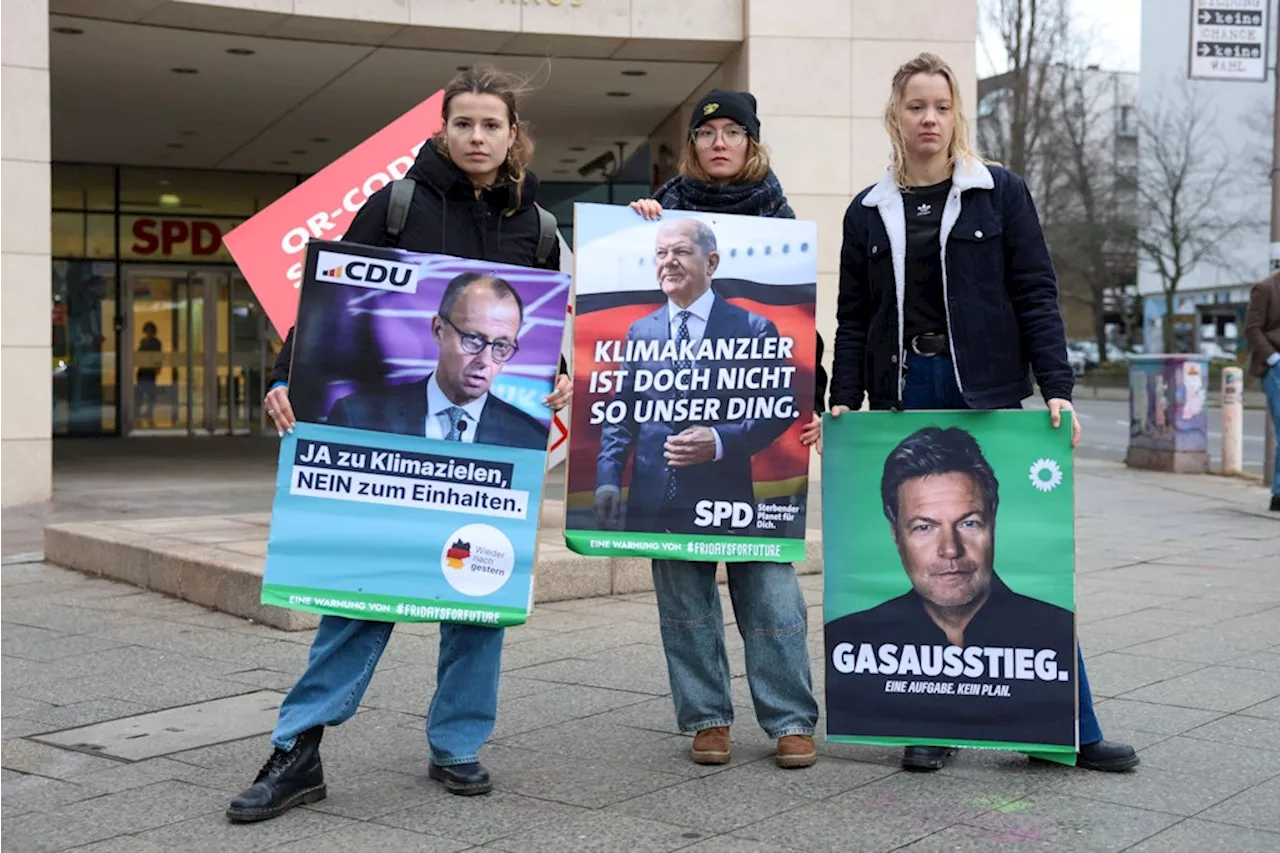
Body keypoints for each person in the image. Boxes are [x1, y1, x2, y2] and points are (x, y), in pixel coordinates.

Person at [227, 65, 567, 825]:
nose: (476, 137)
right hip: (393, 439)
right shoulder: (398, 202)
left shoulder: (537, 227)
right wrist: (289, 378)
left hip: (489, 455)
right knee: (356, 595)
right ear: (442, 130)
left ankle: (457, 744)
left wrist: (562, 378)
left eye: (491, 125)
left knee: (479, 597)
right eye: (463, 124)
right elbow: (329, 296)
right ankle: (296, 749)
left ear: (513, 136)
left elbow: (545, 336)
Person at [826, 52, 1137, 773]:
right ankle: (933, 722)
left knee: (1023, 563)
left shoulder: (999, 193)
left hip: (987, 392)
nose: (928, 118)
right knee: (927, 569)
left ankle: (1062, 724)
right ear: (894, 116)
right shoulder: (869, 211)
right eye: (915, 106)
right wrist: (842, 397)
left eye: (940, 105)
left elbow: (1035, 291)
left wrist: (1057, 384)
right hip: (902, 390)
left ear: (955, 113)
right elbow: (853, 316)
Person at [622, 88, 821, 770]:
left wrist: (726, 437)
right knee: (682, 596)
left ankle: (791, 717)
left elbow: (779, 392)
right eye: (707, 132)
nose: (718, 142)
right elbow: (618, 413)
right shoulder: (653, 236)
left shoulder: (774, 252)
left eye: (733, 132)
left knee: (768, 589)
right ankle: (706, 716)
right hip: (658, 489)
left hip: (730, 478)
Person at [825, 426, 1075, 748]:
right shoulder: (850, 641)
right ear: (895, 534)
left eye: (969, 523)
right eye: (924, 527)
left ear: (993, 521)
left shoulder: (1056, 632)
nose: (950, 549)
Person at [593, 217, 794, 534]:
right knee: (677, 586)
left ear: (711, 262)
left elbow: (779, 408)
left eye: (681, 252)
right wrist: (608, 480)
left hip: (722, 500)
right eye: (661, 253)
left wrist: (718, 440)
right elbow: (621, 414)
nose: (668, 262)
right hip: (652, 504)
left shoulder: (754, 329)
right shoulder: (641, 331)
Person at [326, 272, 548, 449]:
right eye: (473, 339)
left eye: (501, 346)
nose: (485, 360)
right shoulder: (357, 417)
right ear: (439, 330)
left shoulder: (532, 440)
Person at [1245, 271, 1280, 511]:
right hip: (1276, 367)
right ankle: (1278, 494)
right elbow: (1252, 328)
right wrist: (1273, 359)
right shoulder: (1265, 288)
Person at [135, 322, 162, 426]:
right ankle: (138, 412)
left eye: (150, 330)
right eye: (147, 330)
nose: (148, 332)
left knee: (151, 392)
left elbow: (158, 355)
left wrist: (158, 368)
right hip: (142, 369)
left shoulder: (156, 342)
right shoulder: (142, 341)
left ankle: (149, 412)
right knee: (139, 392)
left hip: (150, 370)